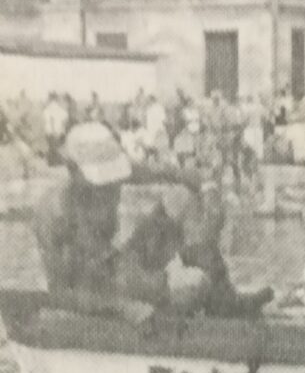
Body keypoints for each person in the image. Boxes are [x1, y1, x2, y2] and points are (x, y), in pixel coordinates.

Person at [33, 121, 208, 325]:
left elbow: (150, 172)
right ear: (73, 170)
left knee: (181, 197)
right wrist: (125, 308)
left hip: (117, 267)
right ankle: (175, 305)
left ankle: (208, 296)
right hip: (92, 292)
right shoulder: (54, 213)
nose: (108, 188)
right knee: (190, 284)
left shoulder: (110, 176)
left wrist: (194, 179)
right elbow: (63, 293)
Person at [42, 92, 69, 166]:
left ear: (50, 98)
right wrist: (62, 129)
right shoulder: (60, 108)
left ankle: (52, 162)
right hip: (59, 131)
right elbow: (65, 118)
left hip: (50, 131)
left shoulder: (48, 108)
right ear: (56, 98)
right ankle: (56, 161)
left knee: (52, 147)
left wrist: (53, 130)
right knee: (57, 147)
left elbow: (49, 119)